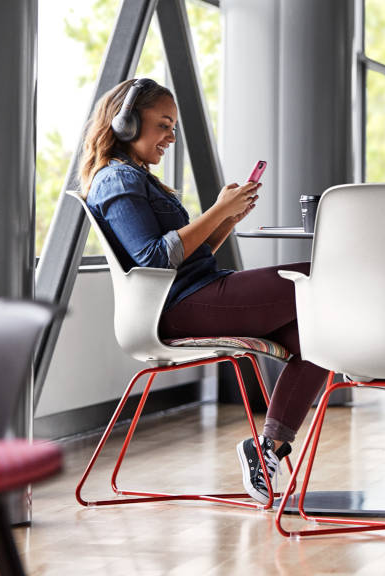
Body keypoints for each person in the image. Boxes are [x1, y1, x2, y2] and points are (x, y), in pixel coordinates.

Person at [79, 78, 330, 506]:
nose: (170, 138)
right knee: (318, 277)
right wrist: (216, 210)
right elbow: (155, 260)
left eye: (173, 127)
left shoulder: (141, 178)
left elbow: (186, 257)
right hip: (176, 309)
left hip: (195, 293)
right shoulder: (115, 180)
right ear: (125, 123)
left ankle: (267, 449)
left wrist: (225, 222)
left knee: (319, 338)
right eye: (162, 125)